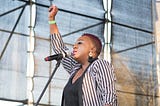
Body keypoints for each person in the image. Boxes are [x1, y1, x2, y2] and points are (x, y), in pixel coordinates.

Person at [48, 5, 117, 106]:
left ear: (92, 51)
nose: (74, 46)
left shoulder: (100, 65)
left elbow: (109, 97)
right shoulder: (74, 68)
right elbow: (59, 48)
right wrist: (51, 19)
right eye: (75, 44)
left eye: (80, 43)